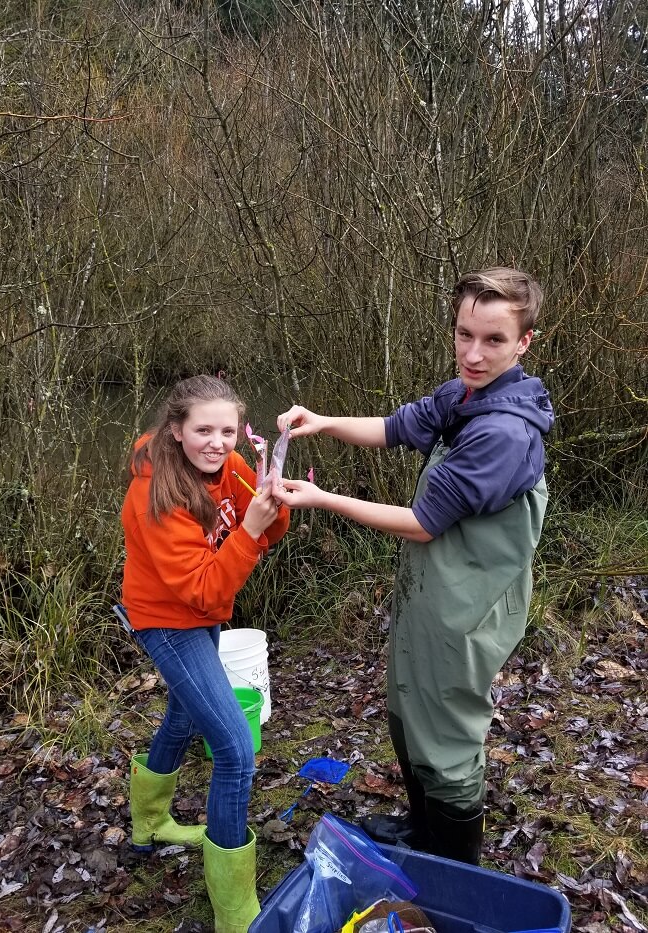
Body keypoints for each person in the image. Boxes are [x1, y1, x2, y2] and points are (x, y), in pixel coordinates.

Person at [272, 267, 554, 865]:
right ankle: (423, 834)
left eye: (493, 340)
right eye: (463, 334)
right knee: (410, 708)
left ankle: (454, 867)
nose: (472, 353)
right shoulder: (466, 395)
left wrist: (321, 499)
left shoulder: (503, 433)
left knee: (446, 731)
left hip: (469, 607)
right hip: (433, 591)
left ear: (524, 342)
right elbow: (396, 428)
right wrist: (322, 423)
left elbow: (424, 521)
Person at [120, 374, 289, 931]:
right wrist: (249, 531)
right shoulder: (155, 495)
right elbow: (202, 587)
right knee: (236, 749)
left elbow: (269, 534)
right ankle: (234, 908)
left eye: (227, 430)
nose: (217, 443)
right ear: (176, 430)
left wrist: (270, 498)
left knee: (184, 713)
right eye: (202, 431)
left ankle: (147, 826)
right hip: (167, 621)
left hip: (202, 613)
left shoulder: (232, 465)